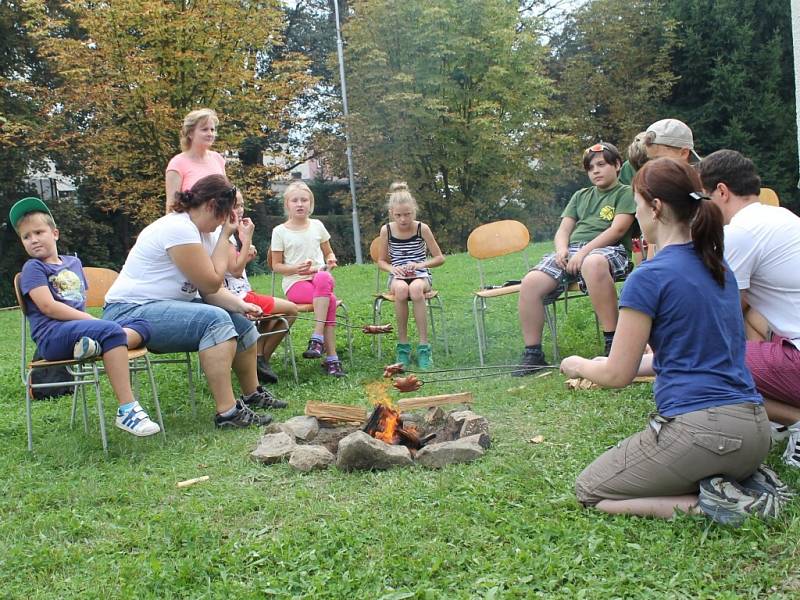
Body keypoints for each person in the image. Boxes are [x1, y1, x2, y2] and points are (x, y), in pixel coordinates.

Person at [561, 158, 783, 525]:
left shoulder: (649, 277)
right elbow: (683, 357)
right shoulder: (719, 267)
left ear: (656, 207)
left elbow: (618, 375)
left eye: (637, 205)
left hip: (705, 434)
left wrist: (576, 364)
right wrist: (598, 363)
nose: (637, 214)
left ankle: (716, 505)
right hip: (755, 432)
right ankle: (744, 481)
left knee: (591, 490)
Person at [104, 175, 286, 429]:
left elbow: (211, 292)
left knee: (241, 323)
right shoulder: (178, 228)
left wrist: (242, 306)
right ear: (211, 205)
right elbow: (211, 283)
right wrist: (225, 237)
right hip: (130, 312)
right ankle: (228, 413)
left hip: (165, 310)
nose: (224, 221)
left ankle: (252, 393)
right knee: (215, 320)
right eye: (224, 214)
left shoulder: (205, 233)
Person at [10, 197, 160, 437]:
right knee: (110, 331)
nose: (33, 239)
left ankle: (91, 345)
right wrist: (93, 323)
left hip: (77, 329)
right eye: (26, 236)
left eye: (38, 231)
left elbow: (77, 299)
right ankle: (127, 410)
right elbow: (48, 307)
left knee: (144, 326)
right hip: (52, 337)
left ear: (55, 233)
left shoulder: (74, 263)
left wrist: (92, 325)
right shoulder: (33, 268)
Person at [698, 149, 800, 467]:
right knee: (750, 319)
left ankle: (795, 420)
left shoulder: (739, 233)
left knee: (703, 365)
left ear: (722, 191)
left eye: (703, 198)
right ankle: (779, 419)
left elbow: (723, 310)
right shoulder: (782, 216)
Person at [514, 142, 635, 374]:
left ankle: (614, 344)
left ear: (618, 165)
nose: (596, 171)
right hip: (573, 251)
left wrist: (583, 252)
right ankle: (533, 353)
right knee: (531, 282)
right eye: (591, 168)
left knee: (593, 262)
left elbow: (617, 230)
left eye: (601, 165)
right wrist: (561, 250)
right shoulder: (580, 196)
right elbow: (563, 230)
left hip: (609, 249)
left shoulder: (625, 193)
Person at [270, 180, 345, 377]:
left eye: (304, 200)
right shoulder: (279, 231)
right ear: (287, 205)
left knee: (323, 277)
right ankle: (331, 358)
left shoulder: (317, 226)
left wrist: (331, 260)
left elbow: (329, 253)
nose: (300, 204)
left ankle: (317, 338)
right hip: (295, 282)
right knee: (330, 300)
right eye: (295, 200)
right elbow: (276, 266)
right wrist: (296, 268)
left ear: (310, 204)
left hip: (320, 279)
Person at [224, 190, 297, 384]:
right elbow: (236, 271)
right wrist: (246, 239)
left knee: (272, 315)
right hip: (237, 297)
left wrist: (245, 251)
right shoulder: (225, 234)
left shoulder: (228, 233)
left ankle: (258, 358)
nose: (240, 210)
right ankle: (261, 358)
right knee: (291, 310)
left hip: (240, 292)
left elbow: (231, 266)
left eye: (242, 205)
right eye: (235, 205)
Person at [376, 182, 445, 369]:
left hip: (421, 274)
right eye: (398, 215)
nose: (403, 220)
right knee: (401, 290)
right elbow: (381, 261)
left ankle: (424, 347)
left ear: (414, 211)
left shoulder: (422, 228)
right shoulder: (387, 230)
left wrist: (420, 264)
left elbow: (440, 258)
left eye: (407, 214)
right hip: (397, 276)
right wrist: (392, 269)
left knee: (415, 290)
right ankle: (403, 346)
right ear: (391, 213)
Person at [165, 108, 225, 213]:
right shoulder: (177, 163)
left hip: (219, 225)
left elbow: (226, 195)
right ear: (190, 133)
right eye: (204, 129)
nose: (210, 134)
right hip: (189, 226)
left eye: (212, 130)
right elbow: (171, 207)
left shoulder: (217, 159)